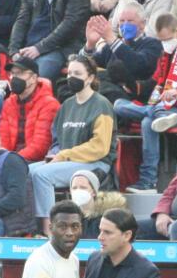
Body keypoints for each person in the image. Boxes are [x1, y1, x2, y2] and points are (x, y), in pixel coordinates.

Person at [112, 11, 177, 190]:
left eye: (167, 39)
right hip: (161, 107)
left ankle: (148, 181)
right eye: (161, 40)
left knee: (147, 122)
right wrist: (135, 87)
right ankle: (156, 113)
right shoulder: (166, 53)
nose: (165, 44)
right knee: (118, 105)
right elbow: (156, 82)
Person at [31, 55, 116, 225]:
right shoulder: (67, 105)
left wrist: (64, 155)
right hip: (67, 161)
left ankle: (49, 226)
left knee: (41, 175)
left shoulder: (102, 105)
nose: (71, 77)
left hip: (96, 163)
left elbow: (100, 147)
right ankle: (30, 224)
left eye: (77, 73)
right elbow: (57, 140)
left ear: (90, 78)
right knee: (26, 171)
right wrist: (55, 154)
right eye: (69, 73)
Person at [10, 0, 90, 79]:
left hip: (62, 48)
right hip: (31, 45)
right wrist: (14, 50)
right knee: (12, 73)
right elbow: (21, 21)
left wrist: (39, 48)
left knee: (37, 75)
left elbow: (70, 24)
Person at [0, 55, 60, 163]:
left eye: (20, 73)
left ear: (34, 78)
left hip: (35, 161)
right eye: (12, 74)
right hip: (10, 159)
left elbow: (41, 147)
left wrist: (11, 160)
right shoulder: (9, 103)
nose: (14, 78)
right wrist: (3, 158)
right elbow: (3, 139)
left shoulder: (49, 104)